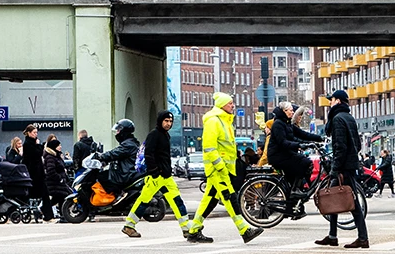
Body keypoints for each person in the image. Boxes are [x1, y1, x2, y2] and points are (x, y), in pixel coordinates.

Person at [187, 92, 264, 244]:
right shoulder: (214, 121)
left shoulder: (224, 120)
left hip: (223, 168)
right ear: (222, 105)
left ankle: (194, 230)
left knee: (209, 200)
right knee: (230, 198)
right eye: (230, 103)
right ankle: (244, 230)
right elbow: (209, 147)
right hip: (218, 169)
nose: (233, 105)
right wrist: (220, 165)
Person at [123, 111, 190, 239]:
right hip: (157, 177)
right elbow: (148, 154)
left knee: (177, 201)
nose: (168, 124)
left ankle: (187, 228)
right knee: (144, 201)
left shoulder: (165, 135)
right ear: (160, 121)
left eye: (170, 121)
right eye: (166, 121)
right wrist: (154, 171)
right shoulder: (154, 135)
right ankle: (129, 226)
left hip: (165, 177)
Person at [315, 89, 368, 249]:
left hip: (343, 167)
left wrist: (335, 169)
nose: (330, 103)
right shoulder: (349, 117)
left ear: (338, 101)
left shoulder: (338, 119)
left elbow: (340, 147)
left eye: (331, 100)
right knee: (333, 200)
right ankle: (332, 236)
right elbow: (357, 144)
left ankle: (363, 238)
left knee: (351, 203)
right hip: (349, 165)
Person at [267, 102, 323, 204]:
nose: (293, 112)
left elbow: (303, 134)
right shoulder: (278, 124)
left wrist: (319, 138)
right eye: (291, 110)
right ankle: (295, 190)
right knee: (304, 162)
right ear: (284, 111)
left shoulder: (287, 123)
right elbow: (283, 142)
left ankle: (295, 198)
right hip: (277, 155)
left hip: (284, 154)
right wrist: (299, 145)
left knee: (302, 163)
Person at [92, 119, 140, 196]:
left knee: (101, 176)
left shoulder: (128, 144)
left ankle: (118, 194)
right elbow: (118, 154)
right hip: (125, 171)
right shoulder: (129, 142)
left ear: (124, 131)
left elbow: (115, 153)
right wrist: (106, 161)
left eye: (118, 131)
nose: (117, 133)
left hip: (125, 173)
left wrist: (101, 156)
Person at [21, 124, 49, 219]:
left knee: (44, 193)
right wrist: (39, 145)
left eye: (36, 132)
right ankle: (45, 214)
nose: (36, 134)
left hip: (38, 172)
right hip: (33, 172)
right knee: (40, 193)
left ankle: (46, 214)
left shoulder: (32, 143)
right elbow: (38, 154)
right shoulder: (28, 144)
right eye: (34, 132)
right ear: (29, 133)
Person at [43, 137, 71, 223]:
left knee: (57, 198)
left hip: (58, 181)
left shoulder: (57, 155)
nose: (60, 147)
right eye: (58, 145)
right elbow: (51, 170)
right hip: (55, 182)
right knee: (63, 196)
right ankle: (64, 216)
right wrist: (60, 179)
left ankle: (42, 209)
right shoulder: (51, 157)